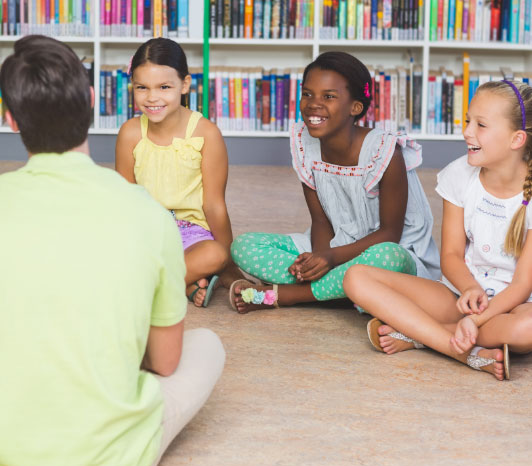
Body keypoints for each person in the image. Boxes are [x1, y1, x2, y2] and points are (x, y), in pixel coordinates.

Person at [0, 35, 224, 466]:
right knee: (207, 346)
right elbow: (166, 364)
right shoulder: (149, 216)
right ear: (89, 101)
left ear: (11, 119)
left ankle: (1, 436)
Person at [345, 80, 532, 381]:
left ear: (516, 139)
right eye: (468, 120)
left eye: (481, 125)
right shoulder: (459, 174)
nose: (467, 131)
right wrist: (469, 289)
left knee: (528, 328)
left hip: (514, 307)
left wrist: (479, 319)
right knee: (356, 277)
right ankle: (457, 348)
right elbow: (451, 254)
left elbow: (522, 286)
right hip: (458, 296)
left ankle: (420, 335)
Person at [229, 51, 440, 312]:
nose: (313, 104)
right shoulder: (305, 144)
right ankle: (340, 292)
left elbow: (390, 235)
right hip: (334, 248)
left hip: (385, 252)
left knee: (389, 259)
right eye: (307, 94)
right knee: (244, 247)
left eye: (328, 96)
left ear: (356, 107)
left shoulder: (385, 152)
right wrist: (316, 261)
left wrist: (330, 258)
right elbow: (320, 221)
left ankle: (289, 296)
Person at [115, 37, 233, 308]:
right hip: (148, 232)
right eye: (142, 87)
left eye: (164, 87)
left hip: (193, 235)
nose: (152, 97)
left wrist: (227, 262)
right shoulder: (130, 133)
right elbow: (125, 201)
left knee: (214, 254)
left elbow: (214, 204)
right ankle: (184, 283)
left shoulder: (206, 133)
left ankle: (153, 286)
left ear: (185, 85)